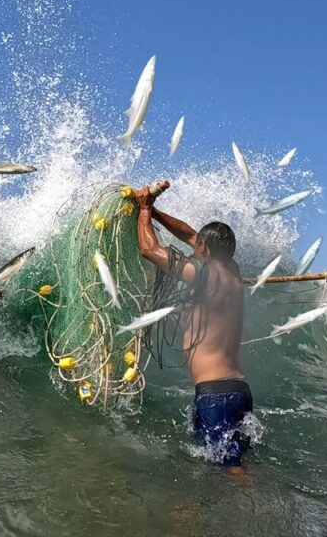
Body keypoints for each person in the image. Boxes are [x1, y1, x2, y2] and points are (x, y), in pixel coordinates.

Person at [135, 185, 251, 470]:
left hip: (215, 395)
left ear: (206, 250)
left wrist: (145, 211)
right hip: (236, 390)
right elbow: (189, 234)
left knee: (231, 472)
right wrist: (157, 210)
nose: (193, 244)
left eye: (199, 245)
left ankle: (261, 510)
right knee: (218, 466)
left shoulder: (200, 275)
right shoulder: (232, 272)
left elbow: (149, 249)